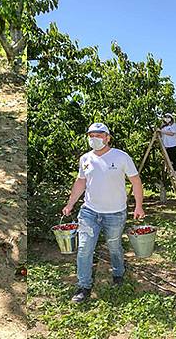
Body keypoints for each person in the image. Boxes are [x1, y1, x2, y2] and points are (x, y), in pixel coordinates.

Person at [61, 123, 145, 303]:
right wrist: (70, 204)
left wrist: (139, 206)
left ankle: (118, 273)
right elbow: (80, 182)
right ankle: (84, 286)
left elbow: (136, 181)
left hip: (115, 213)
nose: (95, 139)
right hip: (89, 212)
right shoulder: (85, 159)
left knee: (114, 246)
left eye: (99, 135)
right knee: (84, 249)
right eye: (91, 135)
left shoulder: (121, 157)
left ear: (107, 138)